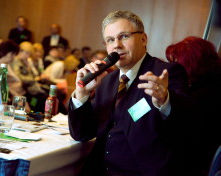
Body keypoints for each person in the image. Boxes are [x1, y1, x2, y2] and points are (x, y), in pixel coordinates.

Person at [68, 10, 196, 176]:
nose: (116, 45)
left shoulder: (165, 72)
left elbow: (189, 124)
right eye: (110, 40)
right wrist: (81, 94)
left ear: (143, 39)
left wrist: (165, 100)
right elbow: (82, 133)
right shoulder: (107, 81)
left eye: (124, 36)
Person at [166, 37, 221, 175]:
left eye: (176, 64)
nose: (170, 69)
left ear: (191, 64)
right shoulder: (206, 88)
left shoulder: (203, 96)